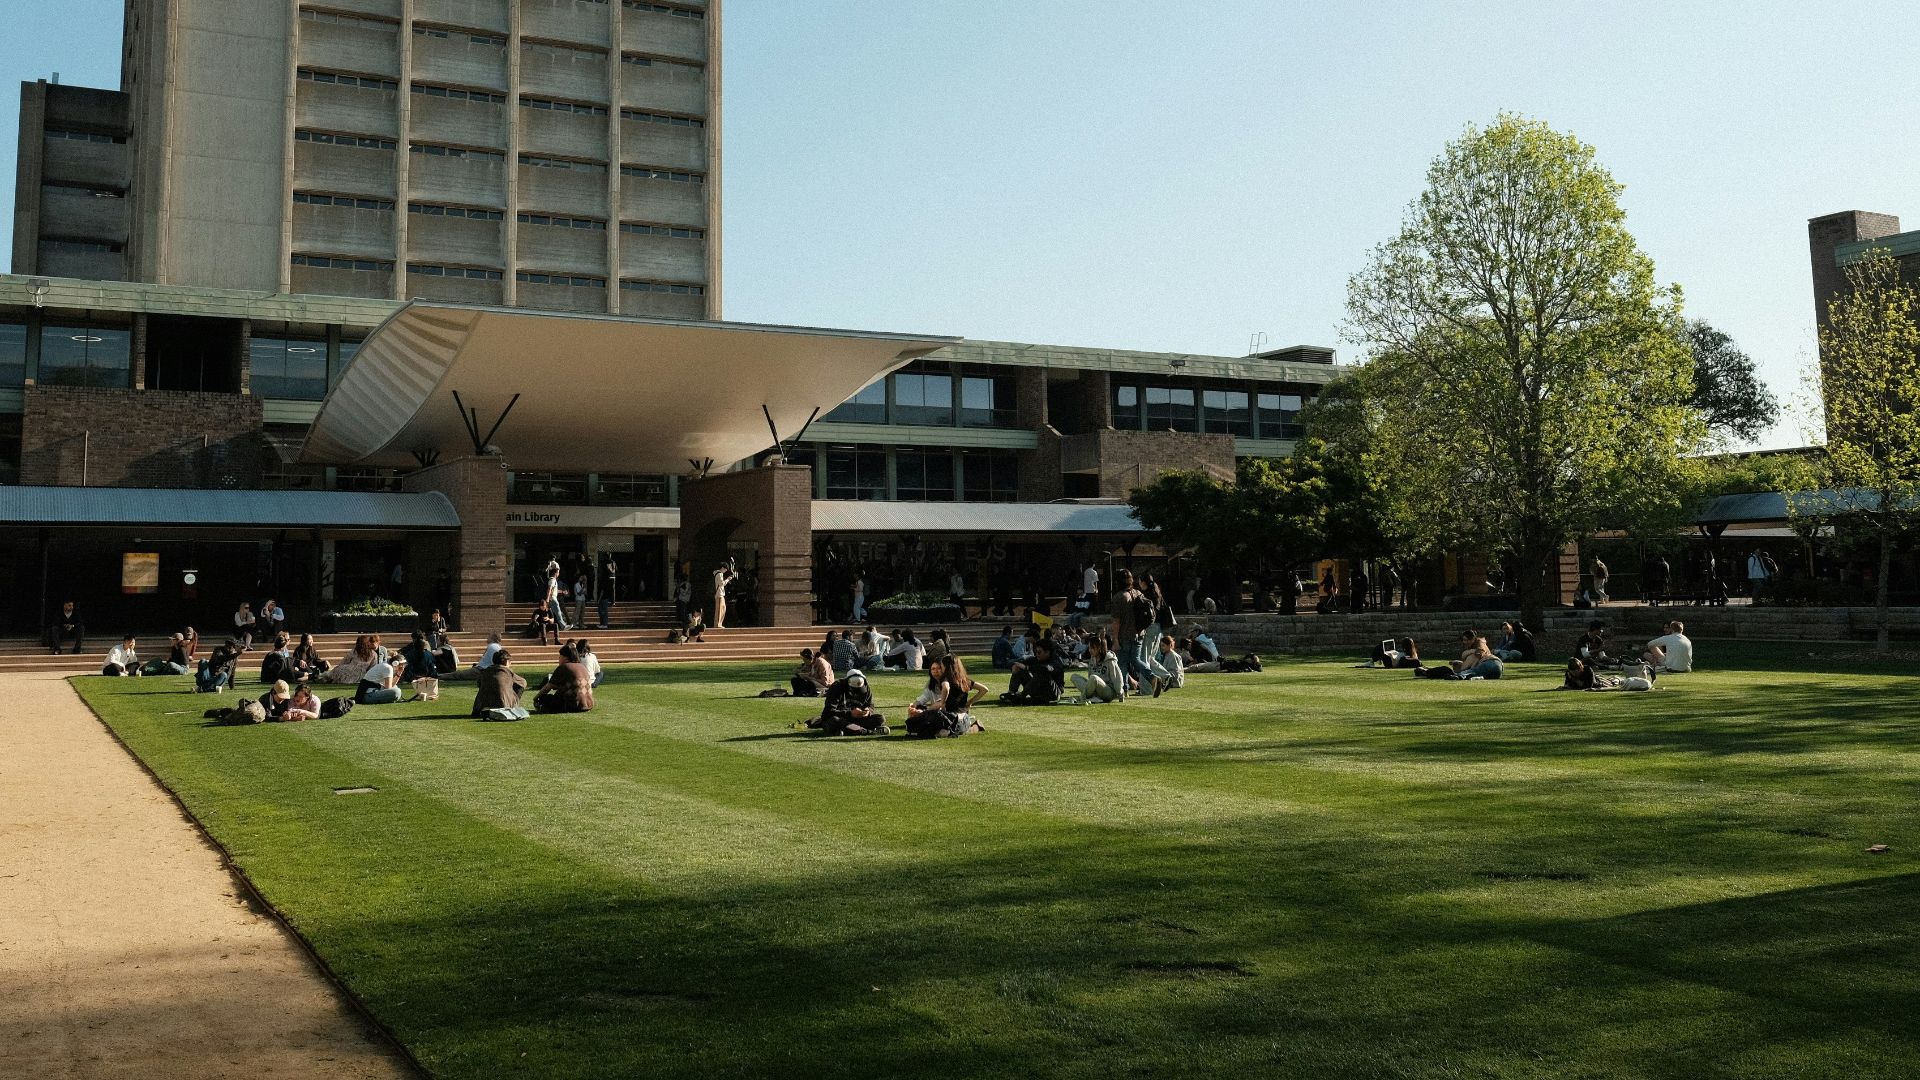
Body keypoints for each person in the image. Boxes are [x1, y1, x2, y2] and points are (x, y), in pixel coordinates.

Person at [906, 656, 986, 737]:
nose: (938, 670)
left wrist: (941, 702)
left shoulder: (945, 680)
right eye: (933, 669)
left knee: (936, 730)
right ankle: (973, 727)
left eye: (941, 666)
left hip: (952, 718)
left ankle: (969, 728)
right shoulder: (965, 680)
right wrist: (970, 702)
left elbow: (946, 688)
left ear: (946, 667)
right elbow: (984, 689)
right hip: (962, 718)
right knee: (942, 727)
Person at [1110, 569, 1149, 692]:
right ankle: (1151, 677)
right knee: (1136, 660)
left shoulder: (1118, 597)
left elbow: (1116, 621)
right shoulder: (1138, 593)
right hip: (1139, 633)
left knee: (1122, 663)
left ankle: (1123, 689)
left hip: (1125, 635)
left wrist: (1115, 640)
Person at [813, 669, 886, 735]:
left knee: (880, 718)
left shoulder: (866, 688)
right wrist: (850, 713)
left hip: (856, 720)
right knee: (834, 721)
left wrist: (868, 711)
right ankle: (867, 731)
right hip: (841, 719)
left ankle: (846, 730)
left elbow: (870, 705)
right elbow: (827, 713)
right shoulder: (836, 688)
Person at [1002, 638, 1066, 705]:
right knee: (1020, 668)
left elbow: (1046, 669)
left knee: (1042, 674)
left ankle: (1021, 696)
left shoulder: (1056, 662)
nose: (1037, 654)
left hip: (1054, 693)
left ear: (1047, 652)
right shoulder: (1037, 659)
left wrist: (1027, 667)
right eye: (1036, 652)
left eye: (1039, 652)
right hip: (1040, 689)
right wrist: (1014, 665)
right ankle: (1012, 693)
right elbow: (1017, 663)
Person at [533, 646, 595, 713]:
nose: (559, 659)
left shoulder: (563, 667)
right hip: (589, 704)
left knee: (543, 698)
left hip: (572, 705)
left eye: (560, 657)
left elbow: (547, 687)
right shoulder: (582, 666)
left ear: (565, 658)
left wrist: (536, 698)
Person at [472, 649, 528, 719]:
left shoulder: (485, 671)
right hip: (503, 705)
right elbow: (523, 682)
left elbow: (479, 683)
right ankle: (513, 707)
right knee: (519, 685)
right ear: (506, 662)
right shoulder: (507, 671)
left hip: (480, 706)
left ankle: (485, 707)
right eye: (510, 661)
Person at [1070, 636, 1128, 704]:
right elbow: (1090, 678)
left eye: (1092, 648)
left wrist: (1120, 693)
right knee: (1074, 677)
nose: (1089, 650)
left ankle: (1083, 698)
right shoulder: (1092, 659)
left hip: (1108, 691)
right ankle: (1094, 697)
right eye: (1089, 647)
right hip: (1095, 689)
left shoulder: (1110, 660)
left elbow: (1117, 678)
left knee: (1094, 678)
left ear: (1100, 648)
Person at [711, 559, 738, 630]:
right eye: (725, 569)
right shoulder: (719, 574)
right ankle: (718, 624)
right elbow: (722, 583)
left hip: (719, 594)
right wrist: (728, 579)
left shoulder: (717, 574)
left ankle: (717, 624)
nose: (725, 571)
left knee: (720, 609)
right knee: (721, 609)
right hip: (719, 594)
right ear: (722, 568)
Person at [598, 558, 615, 629]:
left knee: (603, 611)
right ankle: (603, 623)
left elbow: (602, 590)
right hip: (606, 596)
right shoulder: (609, 576)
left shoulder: (604, 578)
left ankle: (604, 623)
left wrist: (599, 599)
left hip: (603, 597)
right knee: (602, 611)